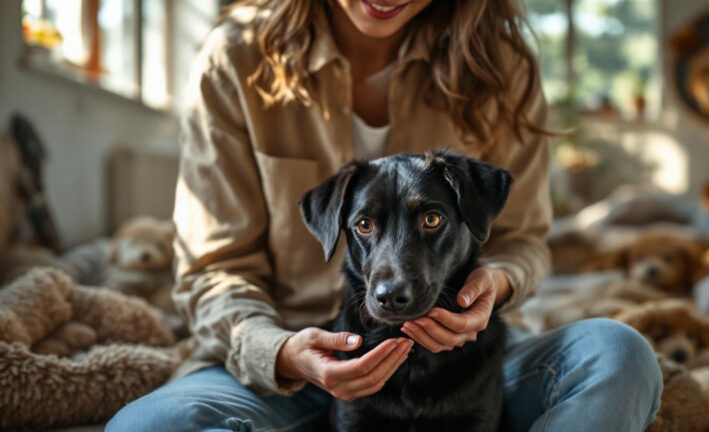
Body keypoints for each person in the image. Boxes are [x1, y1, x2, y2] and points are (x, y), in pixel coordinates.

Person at [107, 1, 662, 431]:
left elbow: (524, 242)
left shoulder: (500, 65)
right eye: (367, 225)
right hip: (292, 365)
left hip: (467, 360)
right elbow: (212, 268)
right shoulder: (238, 57)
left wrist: (496, 284)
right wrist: (280, 353)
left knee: (619, 355)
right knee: (147, 425)